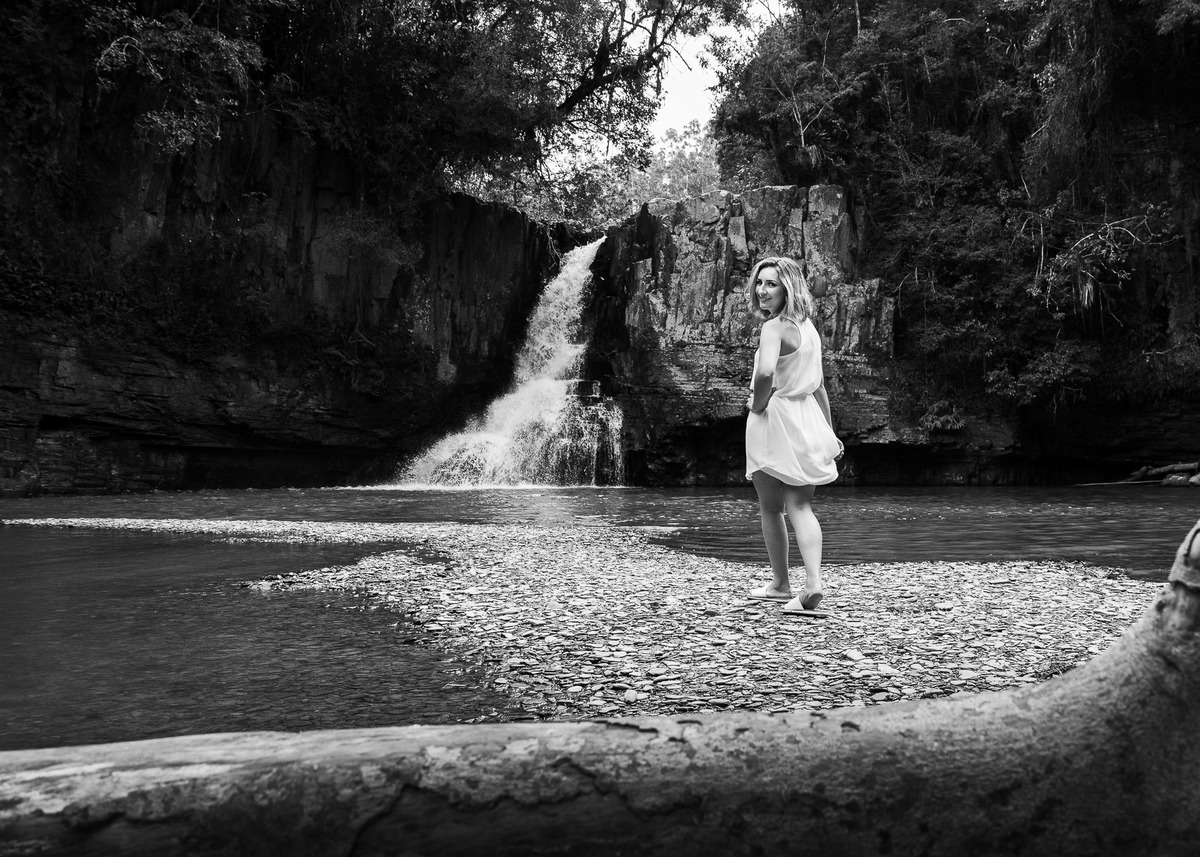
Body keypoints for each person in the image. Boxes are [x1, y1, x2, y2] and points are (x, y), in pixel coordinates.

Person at [743, 256, 842, 616]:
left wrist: (757, 403)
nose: (762, 290)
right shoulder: (809, 329)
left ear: (788, 287)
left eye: (771, 283)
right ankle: (811, 584)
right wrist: (829, 433)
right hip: (806, 419)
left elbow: (766, 372)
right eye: (759, 283)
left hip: (774, 419)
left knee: (771, 507)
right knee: (801, 505)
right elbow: (818, 388)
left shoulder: (773, 328)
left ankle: (781, 583)